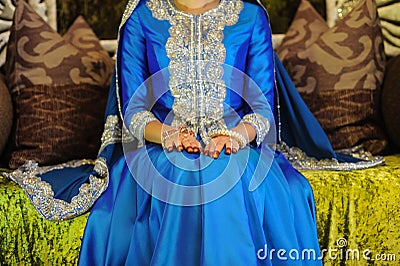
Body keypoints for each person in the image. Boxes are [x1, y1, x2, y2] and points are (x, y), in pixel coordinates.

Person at [7, 0, 384, 265]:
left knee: (229, 172)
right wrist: (169, 136)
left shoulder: (251, 16)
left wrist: (235, 137)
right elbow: (134, 108)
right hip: (159, 146)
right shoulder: (141, 17)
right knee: (184, 171)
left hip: (233, 144)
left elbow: (263, 107)